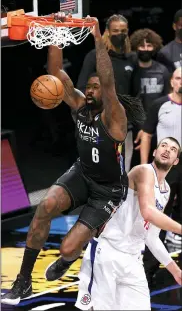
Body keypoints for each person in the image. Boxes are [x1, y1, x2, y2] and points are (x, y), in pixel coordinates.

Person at [1, 16, 131, 305]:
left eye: (95, 88)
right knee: (45, 206)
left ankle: (68, 258)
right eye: (90, 87)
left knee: (66, 248)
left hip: (107, 190)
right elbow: (57, 73)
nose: (91, 90)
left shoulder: (114, 116)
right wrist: (56, 35)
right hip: (83, 174)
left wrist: (98, 39)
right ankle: (23, 281)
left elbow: (108, 82)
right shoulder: (79, 106)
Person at [75, 137, 182, 311]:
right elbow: (148, 211)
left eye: (173, 149)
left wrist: (175, 270)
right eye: (163, 145)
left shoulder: (166, 190)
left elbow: (152, 238)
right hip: (108, 252)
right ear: (154, 152)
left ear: (176, 161)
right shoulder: (143, 171)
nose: (167, 150)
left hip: (133, 259)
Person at [140, 66, 182, 286]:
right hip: (166, 170)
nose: (181, 82)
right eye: (178, 78)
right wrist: (146, 167)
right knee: (157, 223)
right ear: (172, 82)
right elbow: (146, 135)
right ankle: (147, 272)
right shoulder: (159, 105)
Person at [129, 28, 171, 169]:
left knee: (159, 164)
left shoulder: (163, 71)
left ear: (155, 47)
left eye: (149, 46)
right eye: (142, 46)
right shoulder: (131, 71)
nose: (145, 49)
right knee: (137, 165)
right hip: (136, 126)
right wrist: (141, 128)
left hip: (159, 126)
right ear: (136, 47)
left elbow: (167, 100)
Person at [77, 14, 135, 96]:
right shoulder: (95, 55)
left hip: (125, 107)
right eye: (115, 31)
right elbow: (82, 86)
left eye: (123, 31)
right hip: (102, 107)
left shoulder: (132, 58)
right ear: (107, 32)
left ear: (127, 31)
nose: (119, 34)